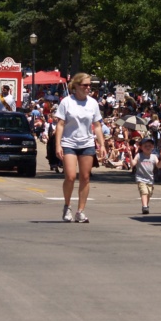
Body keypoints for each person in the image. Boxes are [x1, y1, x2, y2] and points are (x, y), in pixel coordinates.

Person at [54, 73, 106, 223]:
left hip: (87, 143)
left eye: (90, 85)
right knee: (70, 176)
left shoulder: (93, 103)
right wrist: (58, 145)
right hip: (69, 143)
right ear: (76, 86)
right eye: (85, 85)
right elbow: (60, 124)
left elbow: (97, 125)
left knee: (85, 177)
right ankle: (67, 206)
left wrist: (102, 144)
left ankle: (80, 211)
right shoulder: (66, 102)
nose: (88, 88)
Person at [131, 136, 161, 214]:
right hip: (140, 178)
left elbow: (159, 166)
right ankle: (144, 206)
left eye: (149, 146)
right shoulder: (139, 155)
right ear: (141, 147)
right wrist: (129, 155)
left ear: (152, 147)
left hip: (150, 179)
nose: (148, 147)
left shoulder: (154, 157)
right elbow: (132, 164)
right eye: (145, 146)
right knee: (144, 192)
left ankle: (146, 205)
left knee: (149, 194)